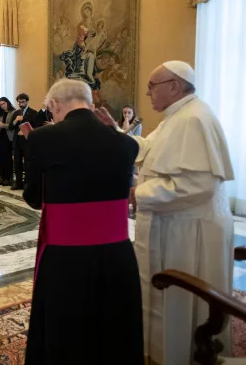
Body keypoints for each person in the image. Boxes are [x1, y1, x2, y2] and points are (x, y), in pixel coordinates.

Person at [95, 61, 234, 365]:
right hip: (176, 224)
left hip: (188, 231)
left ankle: (183, 354)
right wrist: (114, 131)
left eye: (152, 86)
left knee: (182, 300)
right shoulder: (177, 117)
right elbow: (145, 148)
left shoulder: (192, 119)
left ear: (174, 86)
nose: (147, 93)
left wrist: (139, 193)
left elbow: (197, 184)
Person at [24, 79, 143, 364]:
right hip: (118, 255)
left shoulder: (42, 138)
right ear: (89, 103)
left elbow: (34, 199)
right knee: (112, 327)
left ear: (54, 105)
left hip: (66, 257)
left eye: (49, 109)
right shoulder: (126, 143)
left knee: (67, 332)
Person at [10, 93, 38, 190]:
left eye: (23, 102)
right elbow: (10, 127)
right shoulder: (16, 113)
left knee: (27, 164)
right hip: (17, 142)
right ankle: (18, 183)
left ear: (27, 101)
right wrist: (15, 121)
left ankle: (27, 184)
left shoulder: (34, 113)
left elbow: (36, 127)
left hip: (27, 142)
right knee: (17, 163)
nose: (21, 104)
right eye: (19, 102)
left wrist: (24, 119)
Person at [0, 97, 16, 186]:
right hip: (0, 137)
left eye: (4, 103)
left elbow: (12, 126)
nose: (2, 106)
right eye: (0, 104)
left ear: (8, 103)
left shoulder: (13, 112)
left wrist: (2, 125)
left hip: (9, 137)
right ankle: (1, 177)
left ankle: (8, 178)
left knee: (7, 159)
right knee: (1, 158)